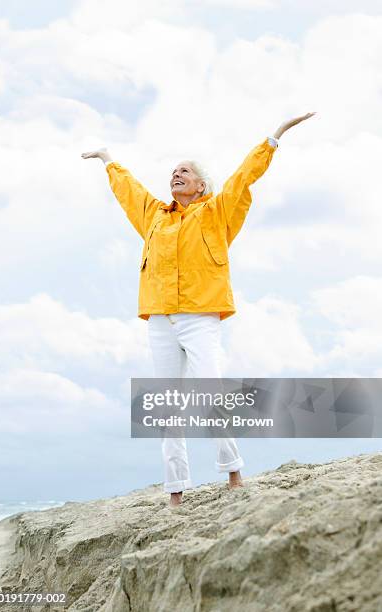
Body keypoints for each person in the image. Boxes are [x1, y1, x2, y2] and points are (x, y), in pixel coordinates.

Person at [82, 111, 316, 506]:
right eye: (173, 171)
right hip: (159, 316)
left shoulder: (216, 213)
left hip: (199, 315)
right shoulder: (154, 215)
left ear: (201, 184)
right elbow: (129, 192)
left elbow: (244, 177)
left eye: (185, 171)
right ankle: (175, 490)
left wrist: (274, 137)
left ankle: (233, 470)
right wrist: (108, 160)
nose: (176, 174)